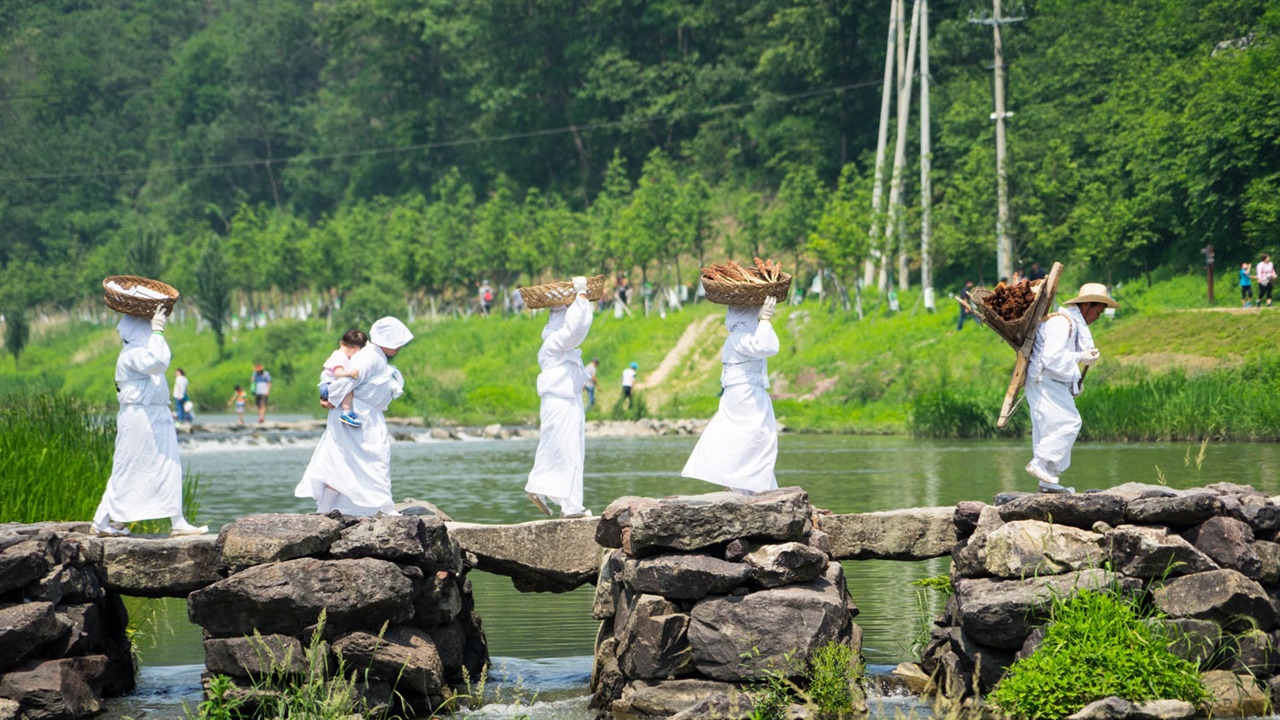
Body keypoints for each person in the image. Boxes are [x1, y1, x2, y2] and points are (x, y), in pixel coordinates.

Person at [92, 306, 207, 537]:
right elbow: (159, 361)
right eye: (146, 326)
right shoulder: (133, 354)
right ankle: (101, 520)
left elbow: (159, 360)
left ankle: (178, 521)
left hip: (155, 416)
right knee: (127, 467)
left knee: (169, 466)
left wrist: (156, 333)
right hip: (139, 418)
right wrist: (158, 331)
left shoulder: (140, 352)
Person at [295, 317, 414, 516]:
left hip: (367, 417)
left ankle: (342, 507)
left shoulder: (376, 356)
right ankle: (383, 506)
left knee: (353, 460)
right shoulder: (369, 357)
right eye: (397, 342)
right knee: (362, 459)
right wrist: (332, 400)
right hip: (355, 417)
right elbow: (346, 383)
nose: (399, 347)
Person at [1025, 282, 1118, 494]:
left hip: (1049, 381)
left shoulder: (1071, 325)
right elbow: (1051, 357)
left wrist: (1075, 379)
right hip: (1043, 380)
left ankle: (1048, 484)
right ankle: (1039, 463)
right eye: (1097, 310)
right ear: (1086, 306)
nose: (1098, 316)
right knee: (1069, 423)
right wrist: (1079, 357)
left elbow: (1059, 360)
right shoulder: (1061, 323)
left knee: (1050, 429)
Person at [682, 296, 781, 494]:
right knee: (753, 436)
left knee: (755, 437)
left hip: (745, 393)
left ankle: (756, 486)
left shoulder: (739, 337)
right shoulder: (739, 337)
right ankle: (748, 487)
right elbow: (766, 347)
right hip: (745, 395)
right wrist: (766, 320)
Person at [525, 277, 595, 519]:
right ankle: (564, 502)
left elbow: (574, 331)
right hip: (560, 402)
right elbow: (576, 329)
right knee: (565, 451)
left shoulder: (560, 346)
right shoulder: (555, 343)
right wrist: (582, 296)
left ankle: (564, 501)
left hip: (568, 401)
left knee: (570, 450)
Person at [319, 329, 368, 428]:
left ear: (341, 343)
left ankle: (344, 410)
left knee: (347, 388)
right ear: (357, 350)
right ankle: (346, 412)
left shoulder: (337, 354)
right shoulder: (340, 357)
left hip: (326, 387)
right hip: (327, 387)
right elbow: (337, 373)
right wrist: (349, 373)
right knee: (347, 389)